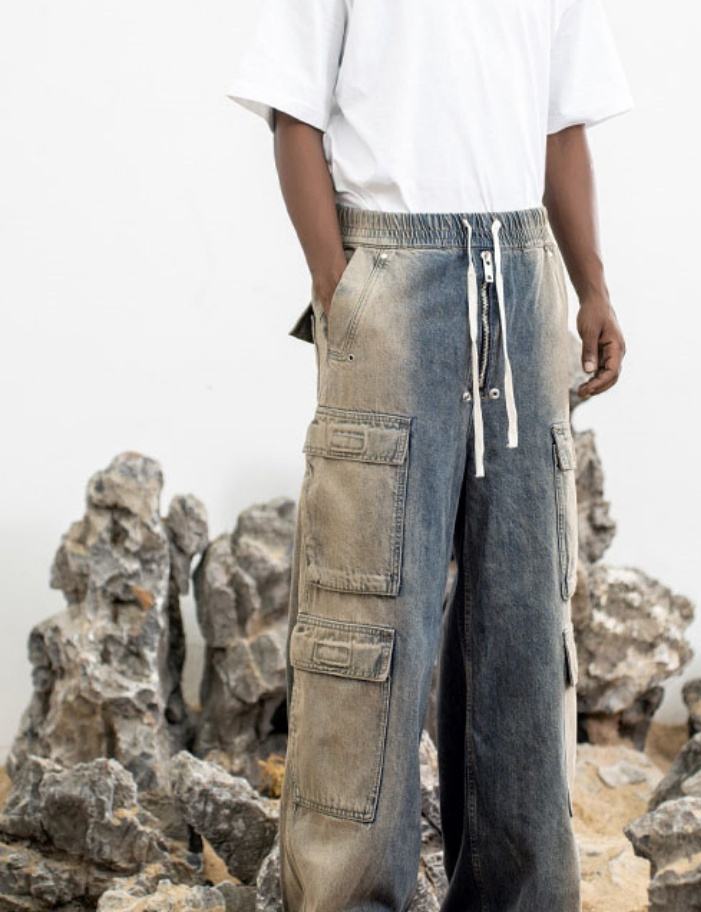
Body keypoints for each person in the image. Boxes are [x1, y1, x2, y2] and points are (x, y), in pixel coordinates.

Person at [227, 2, 632, 908]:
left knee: (524, 620)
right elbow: (293, 115)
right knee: (368, 620)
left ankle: (518, 896)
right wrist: (339, 288)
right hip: (393, 275)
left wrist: (594, 286)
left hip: (525, 278)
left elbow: (561, 126)